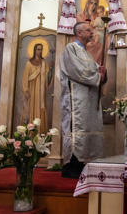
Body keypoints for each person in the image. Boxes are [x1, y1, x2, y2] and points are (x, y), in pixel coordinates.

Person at [60, 22, 107, 179]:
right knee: (77, 129)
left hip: (87, 100)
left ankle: (83, 162)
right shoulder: (70, 49)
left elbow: (94, 74)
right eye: (88, 30)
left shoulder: (86, 53)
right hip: (76, 100)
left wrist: (102, 74)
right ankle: (72, 165)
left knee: (86, 129)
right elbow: (78, 71)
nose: (92, 32)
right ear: (79, 33)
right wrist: (96, 74)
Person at [21, 43, 53, 134]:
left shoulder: (44, 62)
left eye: (41, 49)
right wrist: (26, 90)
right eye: (38, 49)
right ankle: (31, 132)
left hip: (41, 91)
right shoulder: (29, 63)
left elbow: (48, 76)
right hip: (32, 90)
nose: (40, 51)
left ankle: (40, 132)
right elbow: (25, 78)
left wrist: (50, 69)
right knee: (31, 109)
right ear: (34, 50)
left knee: (40, 108)